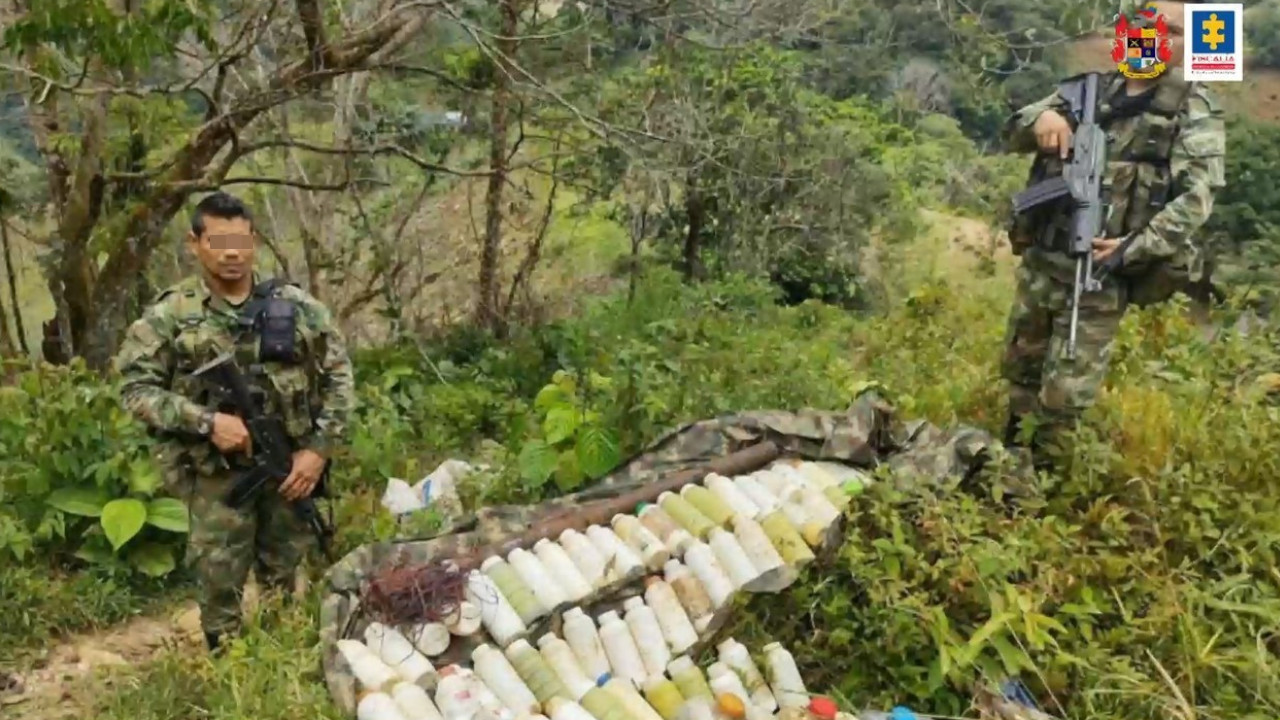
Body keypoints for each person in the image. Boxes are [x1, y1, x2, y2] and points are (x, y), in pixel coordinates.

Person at [113, 191, 355, 651]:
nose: (231, 253)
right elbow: (135, 390)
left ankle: (284, 663)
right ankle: (227, 666)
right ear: (195, 243)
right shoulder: (170, 316)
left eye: (240, 242)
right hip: (215, 481)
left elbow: (339, 379)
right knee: (218, 584)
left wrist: (318, 451)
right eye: (218, 241)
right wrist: (206, 422)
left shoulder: (296, 306)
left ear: (254, 242)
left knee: (288, 580)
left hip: (289, 470)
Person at [1000, 0, 1225, 463]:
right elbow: (1014, 131)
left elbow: (1198, 198)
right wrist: (1040, 119)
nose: (1155, 37)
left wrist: (1136, 245)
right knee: (1020, 374)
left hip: (1100, 273)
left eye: (1172, 31)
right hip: (1043, 264)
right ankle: (1005, 469)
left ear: (1191, 42)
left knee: (1064, 399)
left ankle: (1044, 486)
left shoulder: (1191, 107)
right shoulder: (1090, 90)